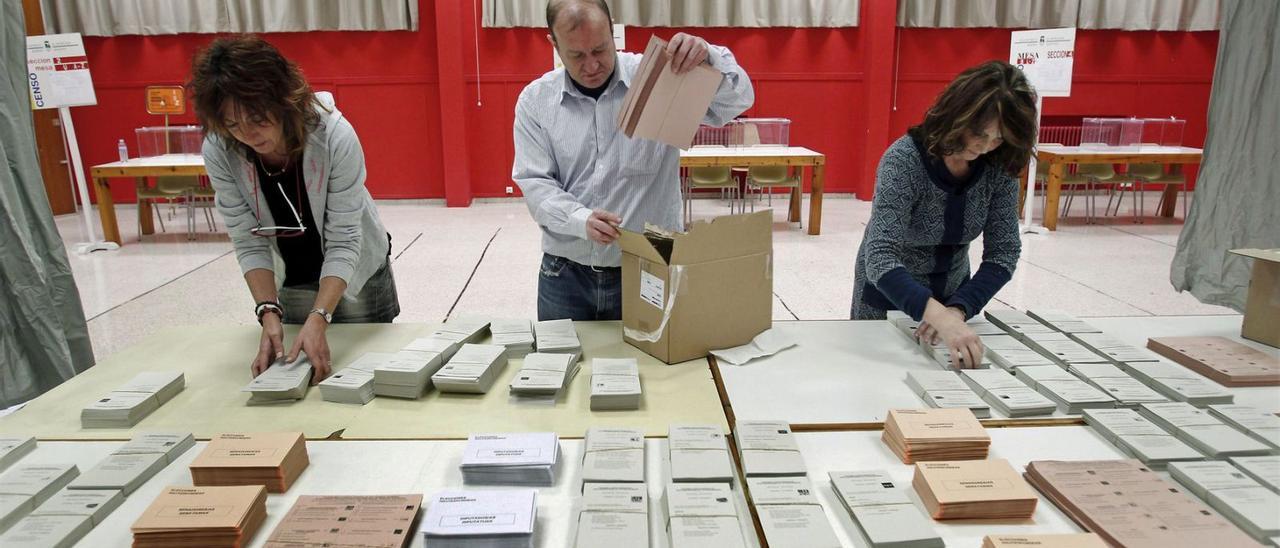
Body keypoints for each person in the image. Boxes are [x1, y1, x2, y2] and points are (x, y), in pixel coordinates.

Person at [513, 0, 754, 321]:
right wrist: (579, 219)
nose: (591, 65)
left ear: (613, 33)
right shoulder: (536, 100)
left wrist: (709, 57)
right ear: (553, 43)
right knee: (564, 364)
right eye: (576, 55)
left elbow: (736, 103)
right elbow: (535, 182)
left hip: (650, 259)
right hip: (566, 270)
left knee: (654, 369)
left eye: (600, 50)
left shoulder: (659, 78)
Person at [189, 35, 399, 382]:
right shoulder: (220, 149)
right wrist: (267, 309)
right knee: (303, 375)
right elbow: (247, 238)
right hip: (290, 276)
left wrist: (320, 315)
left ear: (284, 98)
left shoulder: (334, 136)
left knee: (367, 372)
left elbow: (345, 238)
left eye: (257, 118)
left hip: (358, 273)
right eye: (232, 124)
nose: (248, 134)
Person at [850, 61, 1037, 369]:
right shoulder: (904, 160)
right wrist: (936, 314)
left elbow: (1003, 253)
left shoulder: (999, 166)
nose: (985, 146)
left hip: (955, 300)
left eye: (999, 138)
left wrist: (958, 310)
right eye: (979, 132)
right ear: (955, 113)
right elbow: (881, 256)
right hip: (888, 297)